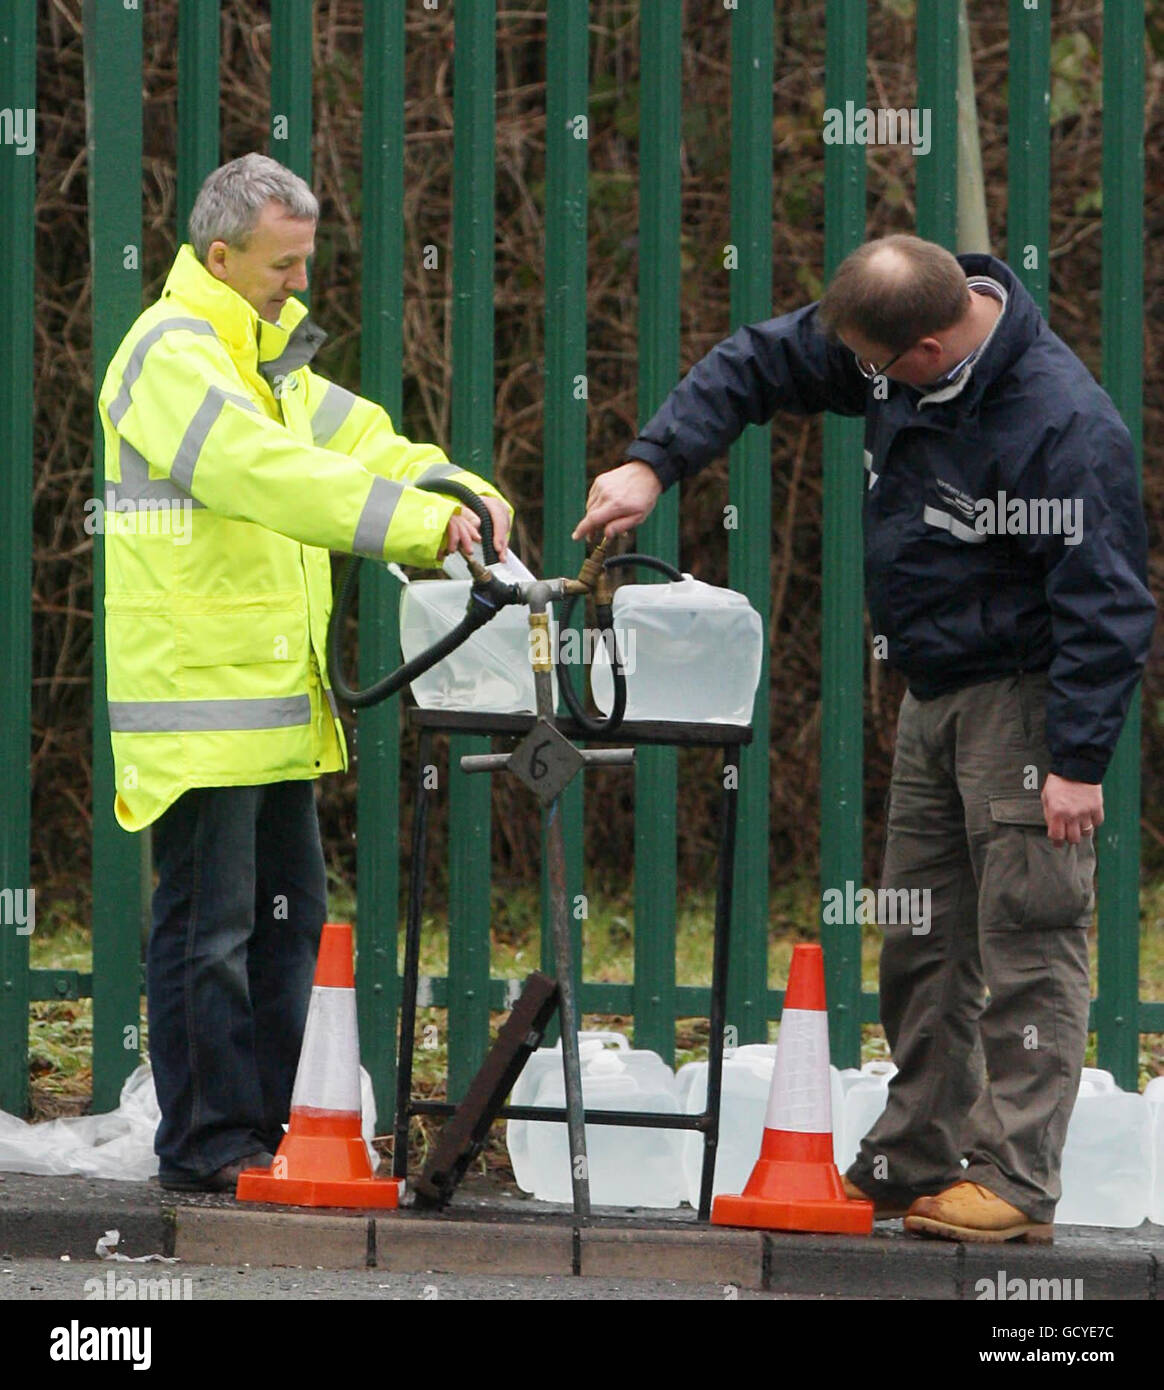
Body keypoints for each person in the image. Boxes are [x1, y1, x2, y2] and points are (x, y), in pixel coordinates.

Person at [573, 233, 1155, 1242]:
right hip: (933, 691)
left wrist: (1076, 762)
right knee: (923, 939)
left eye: (880, 371)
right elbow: (757, 363)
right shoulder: (894, 345)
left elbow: (1108, 604)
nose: (866, 385)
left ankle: (1015, 1185)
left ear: (929, 348)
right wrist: (650, 462)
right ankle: (915, 1155)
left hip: (1024, 702)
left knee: (1028, 941)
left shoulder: (1060, 423)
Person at [98, 153, 512, 1191]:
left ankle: (282, 1133)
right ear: (222, 254)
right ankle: (208, 1145)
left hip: (268, 709)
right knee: (212, 937)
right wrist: (424, 526)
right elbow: (265, 474)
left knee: (281, 933)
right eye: (284, 264)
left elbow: (363, 440)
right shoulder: (171, 357)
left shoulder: (261, 364)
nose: (301, 283)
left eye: (305, 262)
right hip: (198, 709)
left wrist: (456, 487)